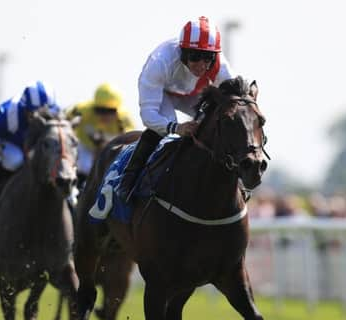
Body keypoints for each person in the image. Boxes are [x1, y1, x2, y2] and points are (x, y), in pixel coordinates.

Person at [116, 16, 235, 201]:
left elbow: (234, 100)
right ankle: (128, 180)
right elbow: (149, 115)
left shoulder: (221, 66)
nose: (202, 65)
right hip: (163, 94)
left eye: (208, 58)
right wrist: (176, 128)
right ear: (182, 51)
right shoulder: (160, 61)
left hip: (194, 95)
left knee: (215, 123)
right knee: (165, 133)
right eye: (195, 57)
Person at [0, 80, 59, 225]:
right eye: (36, 115)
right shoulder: (9, 116)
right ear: (26, 109)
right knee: (16, 160)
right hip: (14, 145)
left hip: (38, 147)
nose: (42, 120)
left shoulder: (56, 112)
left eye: (46, 115)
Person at [66, 83, 135, 186]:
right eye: (100, 110)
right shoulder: (82, 110)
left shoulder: (124, 119)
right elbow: (65, 123)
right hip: (85, 147)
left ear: (117, 110)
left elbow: (131, 142)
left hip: (110, 151)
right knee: (83, 166)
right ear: (94, 106)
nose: (104, 115)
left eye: (110, 111)